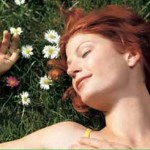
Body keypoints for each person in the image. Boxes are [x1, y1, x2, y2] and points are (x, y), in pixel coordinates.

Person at [1, 4, 150, 149]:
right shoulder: (67, 139)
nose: (71, 70)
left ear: (131, 54)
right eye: (69, 66)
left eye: (85, 52)